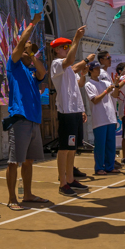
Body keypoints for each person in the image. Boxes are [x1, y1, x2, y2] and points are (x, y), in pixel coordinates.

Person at [5, 13, 50, 211]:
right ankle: (12, 197)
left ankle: (28, 194)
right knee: (15, 160)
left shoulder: (32, 73)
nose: (28, 52)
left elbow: (43, 73)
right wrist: (32, 23)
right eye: (26, 50)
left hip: (34, 120)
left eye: (31, 51)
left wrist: (32, 55)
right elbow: (21, 42)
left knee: (29, 161)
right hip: (20, 119)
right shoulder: (13, 65)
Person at [49, 27, 92, 196]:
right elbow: (71, 60)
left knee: (72, 148)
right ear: (57, 50)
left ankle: (71, 178)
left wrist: (81, 109)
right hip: (66, 111)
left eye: (68, 47)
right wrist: (76, 39)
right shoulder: (57, 64)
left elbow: (78, 86)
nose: (67, 50)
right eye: (64, 47)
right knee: (64, 148)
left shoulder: (69, 69)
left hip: (74, 111)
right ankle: (62, 182)